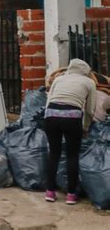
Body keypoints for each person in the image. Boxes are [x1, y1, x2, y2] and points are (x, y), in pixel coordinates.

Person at [44, 58, 97, 205]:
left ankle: (49, 192)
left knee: (54, 153)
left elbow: (48, 102)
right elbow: (90, 110)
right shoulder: (89, 83)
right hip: (72, 118)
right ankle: (71, 195)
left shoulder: (59, 79)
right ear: (86, 71)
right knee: (72, 155)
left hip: (51, 116)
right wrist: (85, 128)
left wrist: (48, 120)